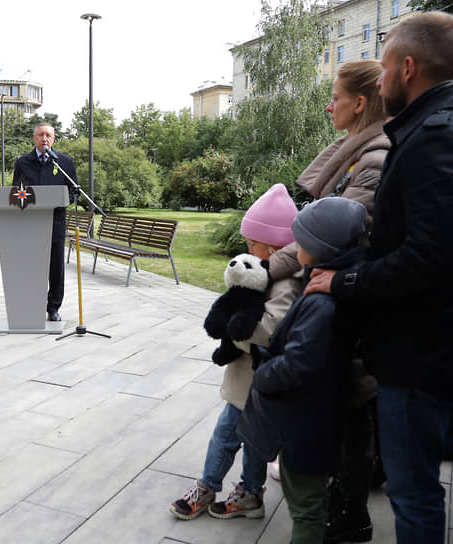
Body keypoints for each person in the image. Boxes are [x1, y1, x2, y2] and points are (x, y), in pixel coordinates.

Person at [305, 12, 453, 543]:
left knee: (413, 493)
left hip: (420, 351)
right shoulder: (426, 129)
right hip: (423, 344)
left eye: (386, 62)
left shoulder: (433, 136)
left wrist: (342, 283)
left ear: (407, 68)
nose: (381, 73)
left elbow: (429, 256)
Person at [267, 59, 390, 544]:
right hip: (343, 298)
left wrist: (265, 270)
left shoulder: (373, 161)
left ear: (359, 104)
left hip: (349, 305)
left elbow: (328, 238)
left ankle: (349, 511)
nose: (328, 105)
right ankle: (342, 498)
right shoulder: (361, 155)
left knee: (353, 405)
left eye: (335, 97)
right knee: (349, 407)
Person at [240, 197, 368, 543]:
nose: (295, 245)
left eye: (302, 239)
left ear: (317, 247)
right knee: (308, 499)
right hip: (314, 419)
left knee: (306, 505)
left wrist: (263, 376)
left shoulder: (322, 302)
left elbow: (300, 363)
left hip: (305, 423)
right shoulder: (326, 285)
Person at [170, 184, 300, 521]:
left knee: (226, 435)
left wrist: (233, 329)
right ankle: (250, 493)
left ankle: (208, 484)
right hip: (250, 381)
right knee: (254, 440)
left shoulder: (285, 282)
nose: (247, 249)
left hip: (259, 381)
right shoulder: (267, 274)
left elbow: (270, 331)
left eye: (252, 243)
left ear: (273, 246)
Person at [12, 122, 77, 322]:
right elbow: (16, 192)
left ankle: (53, 308)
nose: (44, 139)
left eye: (48, 135)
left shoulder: (64, 162)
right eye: (40, 135)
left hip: (55, 222)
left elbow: (73, 191)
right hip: (30, 223)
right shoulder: (23, 162)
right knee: (31, 266)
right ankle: (30, 305)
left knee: (55, 268)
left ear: (53, 139)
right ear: (34, 138)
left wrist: (62, 201)